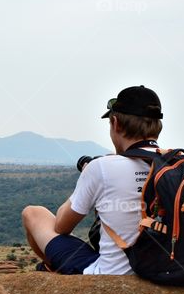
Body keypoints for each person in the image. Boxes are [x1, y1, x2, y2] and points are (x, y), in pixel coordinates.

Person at [21, 85, 164, 275]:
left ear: (115, 123)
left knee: (33, 213)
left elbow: (61, 227)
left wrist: (88, 178)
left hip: (110, 275)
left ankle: (55, 273)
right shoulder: (176, 165)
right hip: (165, 270)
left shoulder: (102, 167)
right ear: (157, 127)